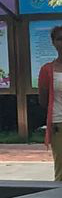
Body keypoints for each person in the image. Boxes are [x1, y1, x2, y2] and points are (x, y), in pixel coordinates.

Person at [37, 25, 62, 181]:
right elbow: (43, 100)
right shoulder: (47, 70)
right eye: (60, 39)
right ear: (53, 43)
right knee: (61, 169)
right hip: (59, 124)